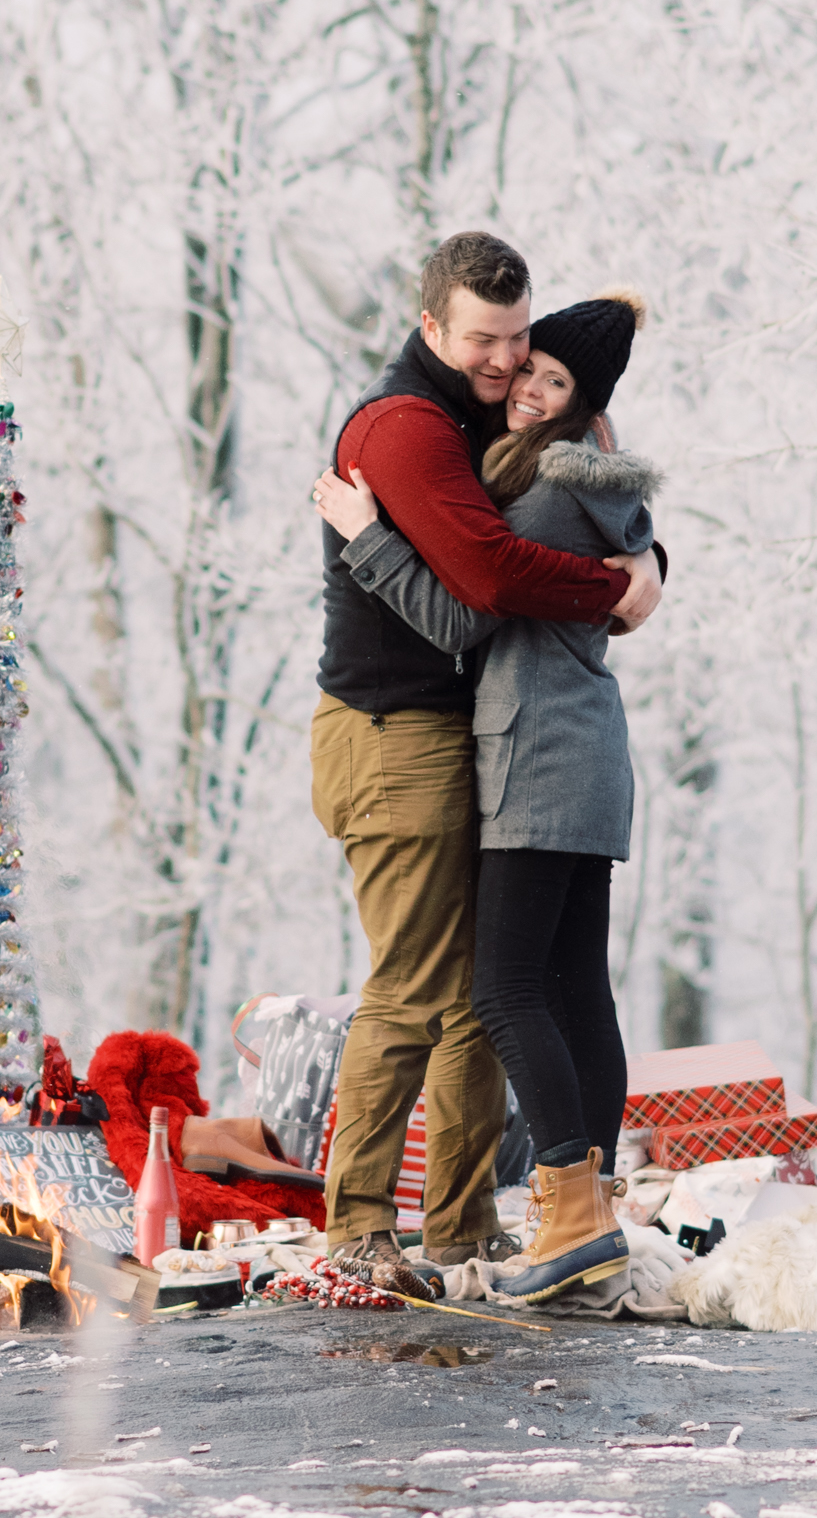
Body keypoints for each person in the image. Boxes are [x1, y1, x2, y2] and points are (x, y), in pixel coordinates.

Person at [309, 234, 663, 1298]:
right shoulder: (409, 429)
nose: (509, 363)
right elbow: (484, 582)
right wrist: (612, 584)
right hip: (394, 729)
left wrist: (644, 559)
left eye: (523, 343)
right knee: (418, 987)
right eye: (488, 341)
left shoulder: (486, 419)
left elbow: (570, 496)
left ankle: (463, 1225)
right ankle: (362, 1224)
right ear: (431, 327)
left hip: (478, 735)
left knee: (477, 998)